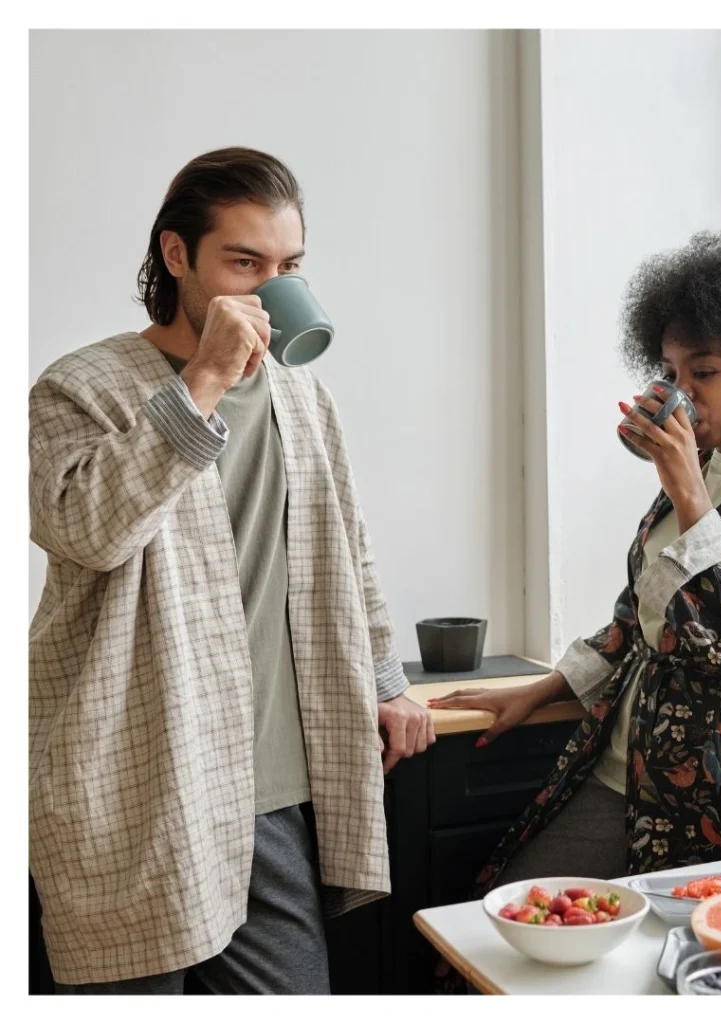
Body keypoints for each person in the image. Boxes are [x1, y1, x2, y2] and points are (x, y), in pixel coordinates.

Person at [29, 147, 435, 994]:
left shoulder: (300, 393)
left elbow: (343, 545)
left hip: (274, 785)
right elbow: (87, 531)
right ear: (177, 256)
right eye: (243, 263)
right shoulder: (79, 388)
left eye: (287, 267)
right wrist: (206, 378)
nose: (266, 287)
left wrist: (389, 679)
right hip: (143, 784)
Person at [429, 232, 721, 897]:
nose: (682, 392)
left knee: (682, 977)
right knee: (513, 920)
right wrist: (543, 689)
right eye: (670, 372)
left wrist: (689, 489)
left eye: (705, 372)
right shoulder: (697, 469)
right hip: (629, 767)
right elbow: (638, 616)